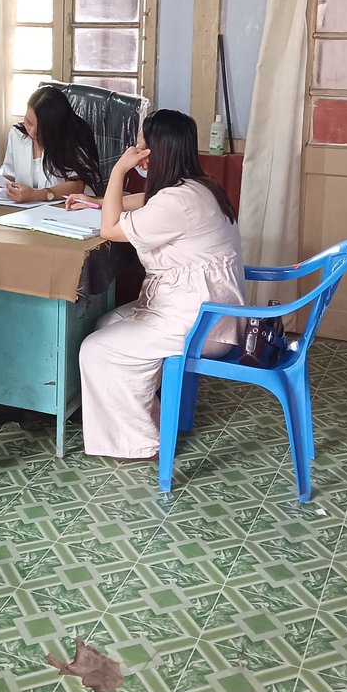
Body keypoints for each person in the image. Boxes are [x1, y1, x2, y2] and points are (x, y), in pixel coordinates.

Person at [76, 109, 244, 460]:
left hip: (198, 322)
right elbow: (145, 204)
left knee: (96, 347)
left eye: (141, 145)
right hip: (205, 310)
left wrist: (119, 171)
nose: (136, 151)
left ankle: (141, 442)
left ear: (156, 151)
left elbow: (110, 230)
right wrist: (96, 202)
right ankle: (147, 416)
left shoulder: (176, 201)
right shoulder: (198, 187)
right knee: (108, 323)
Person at [0, 85, 103, 204]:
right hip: (22, 212)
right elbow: (10, 173)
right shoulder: (17, 135)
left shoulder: (70, 140)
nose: (32, 132)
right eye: (28, 122)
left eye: (41, 130)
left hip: (64, 209)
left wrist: (37, 195)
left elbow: (78, 185)